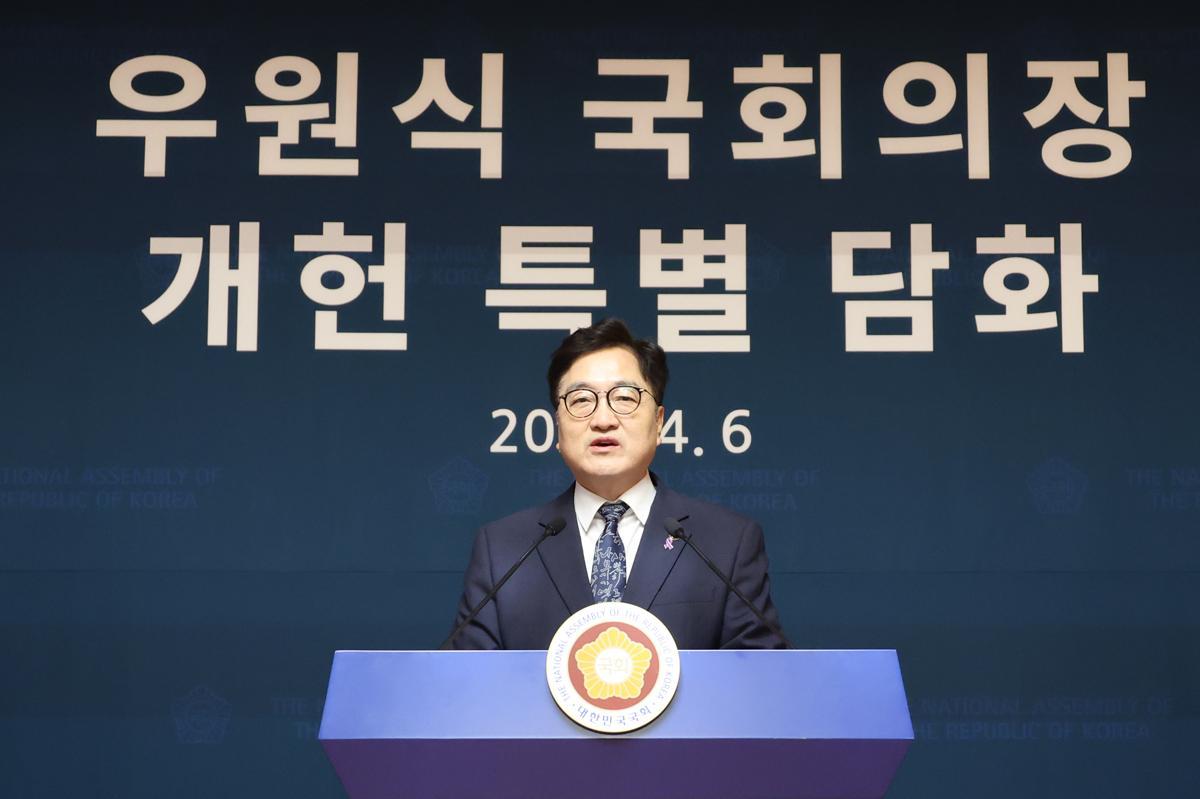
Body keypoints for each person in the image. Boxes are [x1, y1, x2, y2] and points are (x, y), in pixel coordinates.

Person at [449, 318, 786, 649]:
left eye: (624, 397)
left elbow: (759, 672)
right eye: (581, 400)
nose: (603, 420)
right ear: (558, 426)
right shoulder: (503, 550)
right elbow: (466, 675)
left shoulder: (726, 542)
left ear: (659, 423)